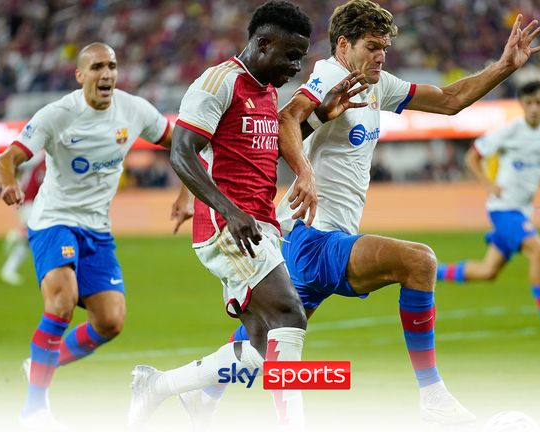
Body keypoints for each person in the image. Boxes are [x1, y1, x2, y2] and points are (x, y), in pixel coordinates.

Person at [172, 0, 540, 429]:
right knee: (418, 262)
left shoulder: (379, 84)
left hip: (308, 239)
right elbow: (287, 118)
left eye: (385, 47)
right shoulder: (330, 75)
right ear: (344, 45)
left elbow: (448, 100)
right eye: (372, 46)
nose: (381, 55)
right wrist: (305, 171)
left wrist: (504, 66)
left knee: (265, 343)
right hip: (312, 236)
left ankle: (194, 393)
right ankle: (433, 395)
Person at [127, 2, 367, 431]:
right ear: (262, 43)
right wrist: (229, 210)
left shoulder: (266, 89)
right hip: (229, 228)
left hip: (260, 225)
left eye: (300, 56)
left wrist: (317, 118)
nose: (296, 66)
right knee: (290, 315)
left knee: (261, 351)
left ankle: (159, 386)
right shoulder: (219, 82)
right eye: (290, 55)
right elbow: (182, 151)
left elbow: (263, 148)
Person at [0, 42, 172, 431]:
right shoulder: (58, 115)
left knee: (110, 321)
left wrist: (189, 192)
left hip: (98, 229)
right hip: (54, 219)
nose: (106, 74)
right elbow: (6, 159)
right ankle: (34, 410)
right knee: (62, 301)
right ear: (80, 75)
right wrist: (8, 186)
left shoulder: (134, 110)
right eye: (96, 68)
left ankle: (39, 363)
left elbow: (180, 144)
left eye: (112, 66)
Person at [437, 80, 540, 338]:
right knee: (539, 251)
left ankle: (431, 272)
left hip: (523, 211)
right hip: (503, 209)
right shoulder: (509, 131)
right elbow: (472, 157)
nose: (534, 108)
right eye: (529, 103)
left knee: (487, 271)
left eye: (538, 102)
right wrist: (487, 184)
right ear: (521, 104)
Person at [0, 154, 45, 286]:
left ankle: (8, 269)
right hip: (29, 202)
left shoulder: (41, 160)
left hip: (29, 201)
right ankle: (15, 235)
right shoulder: (43, 161)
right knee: (35, 231)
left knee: (27, 244)